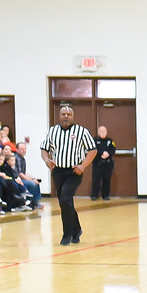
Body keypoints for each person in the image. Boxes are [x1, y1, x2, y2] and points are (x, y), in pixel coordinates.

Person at [40, 105, 96, 245]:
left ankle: (67, 234)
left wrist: (83, 166)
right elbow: (44, 149)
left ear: (73, 116)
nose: (66, 116)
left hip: (74, 171)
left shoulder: (81, 131)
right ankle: (77, 229)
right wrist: (47, 160)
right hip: (58, 171)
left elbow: (92, 150)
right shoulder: (53, 131)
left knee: (65, 198)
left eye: (68, 114)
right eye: (63, 114)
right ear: (59, 116)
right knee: (64, 202)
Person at [90, 126, 116, 200]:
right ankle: (94, 195)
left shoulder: (110, 141)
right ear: (98, 132)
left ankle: (105, 195)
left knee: (106, 180)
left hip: (107, 164)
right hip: (97, 163)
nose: (103, 133)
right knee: (96, 180)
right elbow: (93, 149)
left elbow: (113, 149)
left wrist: (108, 154)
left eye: (104, 131)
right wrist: (102, 153)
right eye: (101, 131)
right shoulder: (94, 140)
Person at [14, 141, 42, 207]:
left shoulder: (22, 159)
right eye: (21, 149)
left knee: (36, 182)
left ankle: (35, 201)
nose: (24, 150)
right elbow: (20, 173)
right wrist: (31, 181)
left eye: (25, 149)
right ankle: (30, 202)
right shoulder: (17, 158)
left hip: (21, 178)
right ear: (17, 150)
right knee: (32, 184)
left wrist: (33, 178)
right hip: (17, 179)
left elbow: (24, 172)